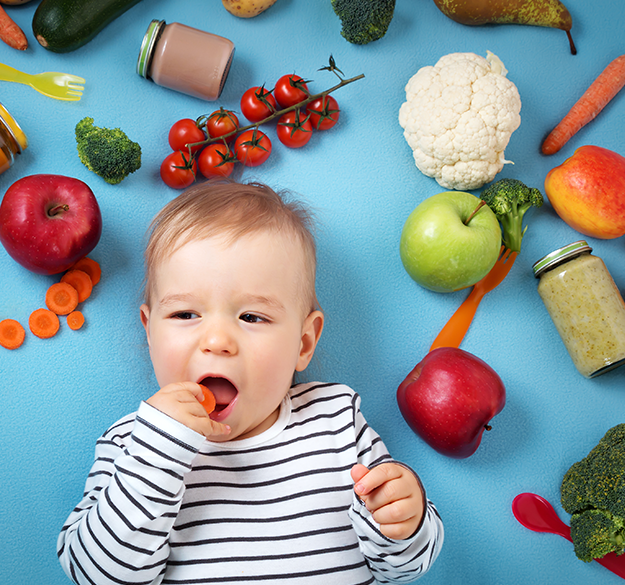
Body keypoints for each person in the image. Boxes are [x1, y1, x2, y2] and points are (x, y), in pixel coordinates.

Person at [57, 179, 443, 584]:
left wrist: (403, 519)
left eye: (252, 317)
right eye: (186, 315)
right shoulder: (133, 443)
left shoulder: (336, 422)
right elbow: (96, 575)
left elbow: (404, 567)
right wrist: (158, 453)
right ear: (150, 332)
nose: (218, 341)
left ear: (303, 342)